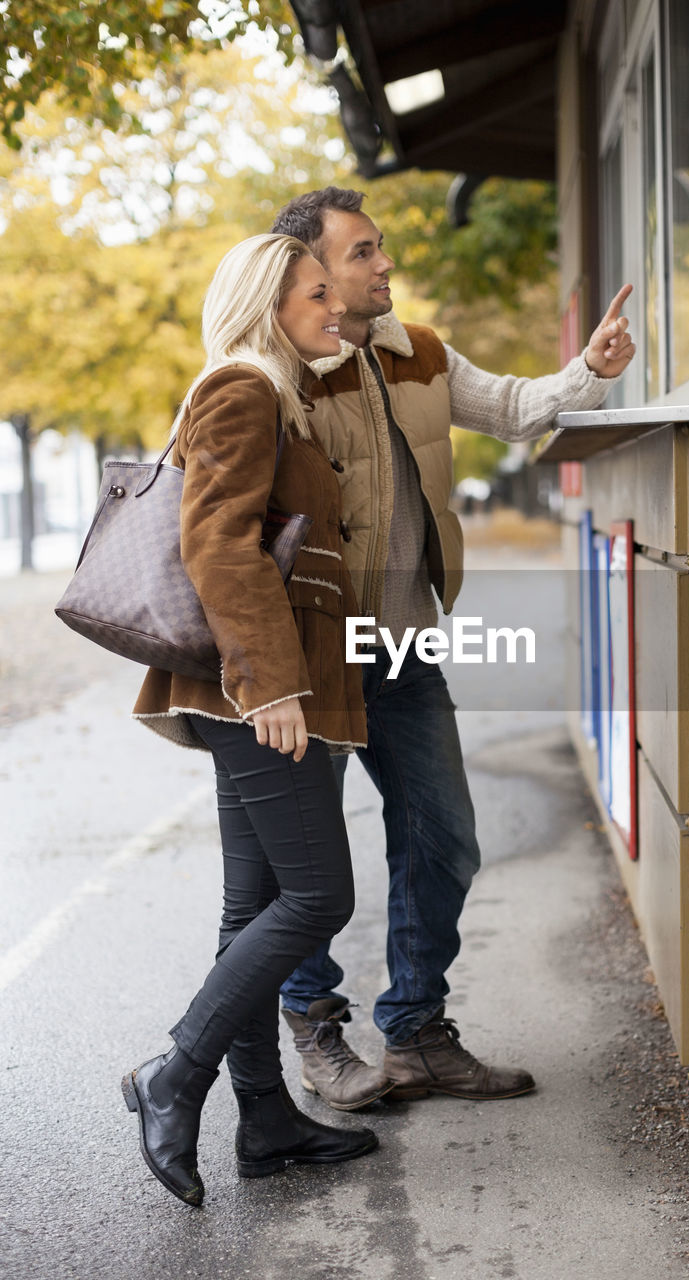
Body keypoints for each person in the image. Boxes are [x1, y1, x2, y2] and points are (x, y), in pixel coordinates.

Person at [269, 187, 636, 1111]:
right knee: (307, 868)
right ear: (308, 273)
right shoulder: (273, 368)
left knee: (444, 841)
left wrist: (587, 370)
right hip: (310, 661)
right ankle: (316, 1024)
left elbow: (514, 408)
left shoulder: (418, 351)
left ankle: (417, 1033)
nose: (384, 264)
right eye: (361, 254)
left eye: (380, 248)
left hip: (399, 649)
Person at [122, 233, 378, 1208]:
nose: (336, 308)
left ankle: (263, 1119)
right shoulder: (242, 389)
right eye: (317, 293)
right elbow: (220, 545)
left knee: (251, 909)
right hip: (258, 692)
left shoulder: (286, 394)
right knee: (317, 895)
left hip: (266, 684)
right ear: (267, 303)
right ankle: (173, 1076)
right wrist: (269, 684)